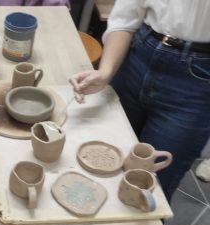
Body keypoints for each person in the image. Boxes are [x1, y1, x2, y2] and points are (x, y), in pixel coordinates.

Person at [70, 0, 210, 200]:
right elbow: (125, 17)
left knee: (147, 187)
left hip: (197, 78)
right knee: (99, 156)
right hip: (139, 54)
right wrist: (106, 71)